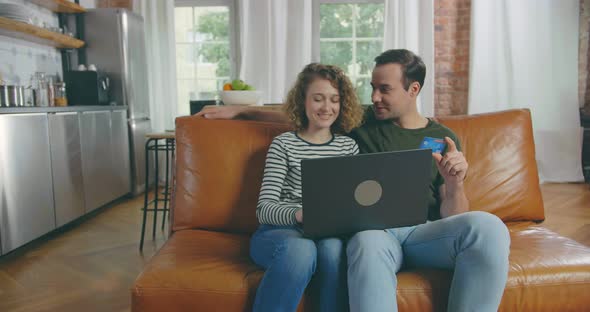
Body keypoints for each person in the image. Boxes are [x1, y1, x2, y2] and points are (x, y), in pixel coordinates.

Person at [197, 49, 510, 312]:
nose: (374, 97)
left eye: (384, 89)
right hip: (376, 234)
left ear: (413, 90)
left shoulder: (442, 138)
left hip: (422, 233)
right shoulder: (364, 119)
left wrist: (455, 184)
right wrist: (240, 111)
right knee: (366, 240)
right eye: (372, 87)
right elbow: (306, 110)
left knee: (488, 226)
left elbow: (453, 216)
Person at [249, 63, 364, 312]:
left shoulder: (348, 147)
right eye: (318, 99)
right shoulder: (284, 145)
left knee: (334, 250)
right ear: (303, 101)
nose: (327, 107)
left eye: (334, 100)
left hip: (327, 234)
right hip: (279, 233)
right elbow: (264, 209)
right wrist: (299, 214)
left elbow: (350, 205)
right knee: (301, 249)